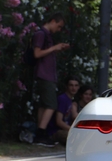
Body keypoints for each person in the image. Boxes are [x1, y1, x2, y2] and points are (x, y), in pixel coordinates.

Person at [32, 12, 70, 146]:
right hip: (44, 75)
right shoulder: (41, 34)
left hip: (47, 75)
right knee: (51, 104)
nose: (58, 30)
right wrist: (54, 47)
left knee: (44, 104)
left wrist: (57, 49)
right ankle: (41, 133)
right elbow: (37, 53)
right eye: (58, 26)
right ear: (53, 21)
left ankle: (40, 132)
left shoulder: (47, 36)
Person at [53, 75, 80, 145]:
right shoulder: (62, 99)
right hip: (56, 131)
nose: (73, 88)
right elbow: (59, 121)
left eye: (76, 85)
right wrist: (73, 129)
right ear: (67, 86)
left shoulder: (71, 101)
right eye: (71, 85)